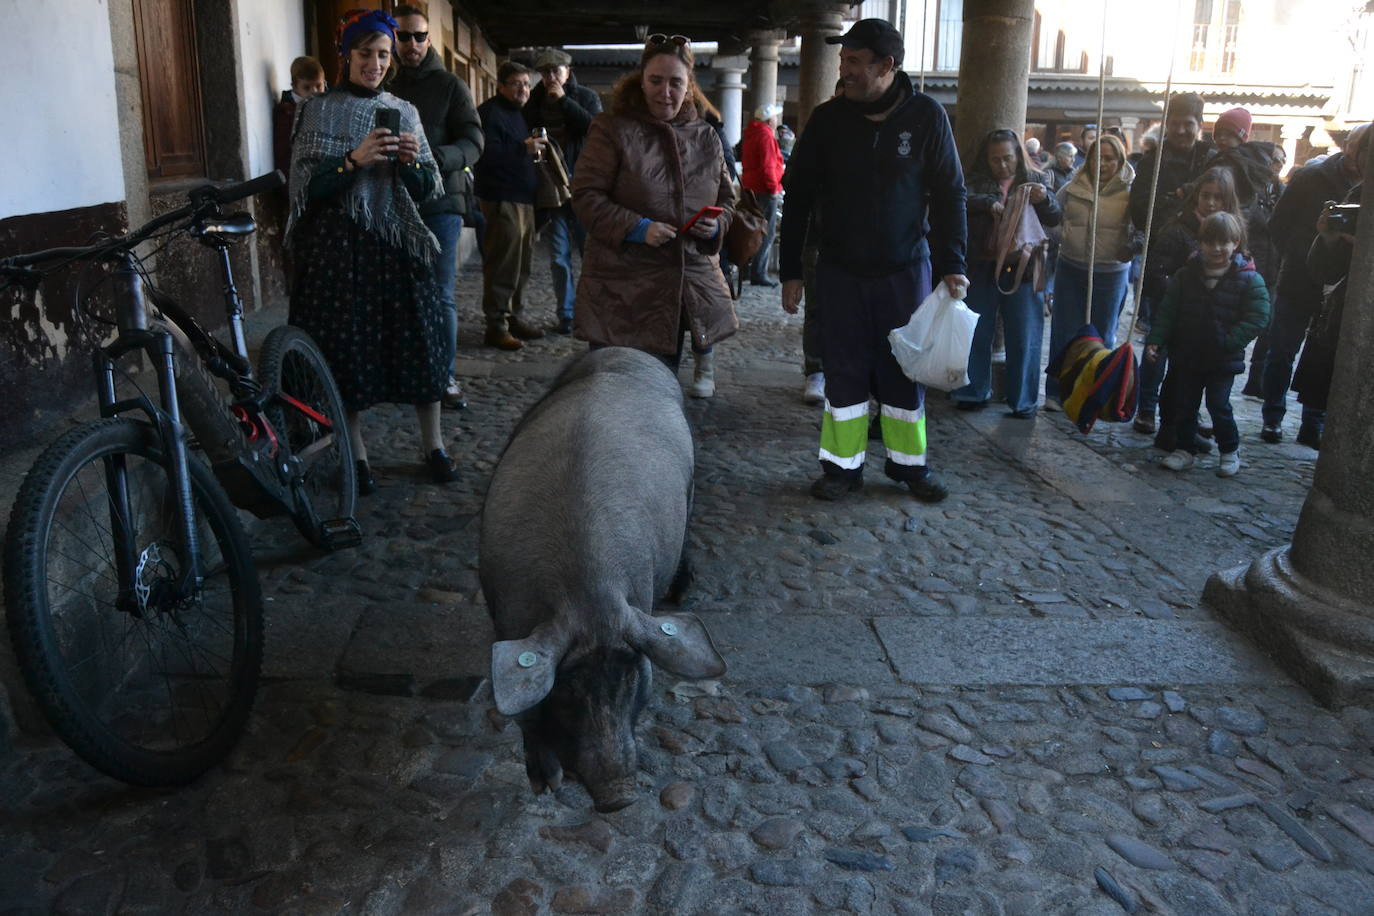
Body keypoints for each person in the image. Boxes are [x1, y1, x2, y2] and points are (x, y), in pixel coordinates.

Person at [779, 18, 968, 503]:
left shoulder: (927, 116)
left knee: (904, 369)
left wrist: (954, 263)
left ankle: (911, 467)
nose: (845, 71)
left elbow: (950, 194)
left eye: (855, 62)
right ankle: (841, 468)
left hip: (906, 270)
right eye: (843, 60)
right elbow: (796, 196)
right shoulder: (826, 119)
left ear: (887, 66)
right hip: (840, 271)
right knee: (843, 369)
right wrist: (791, 270)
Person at [286, 9, 456, 490]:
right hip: (337, 247)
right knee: (347, 349)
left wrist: (408, 166)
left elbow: (426, 190)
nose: (375, 64)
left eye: (383, 55)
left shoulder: (405, 112)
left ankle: (434, 444)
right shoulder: (317, 110)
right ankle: (356, 454)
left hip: (396, 243)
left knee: (423, 340)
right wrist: (351, 162)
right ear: (346, 55)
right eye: (366, 54)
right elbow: (303, 190)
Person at [570, 33, 738, 390]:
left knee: (658, 394)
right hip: (620, 290)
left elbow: (728, 199)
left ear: (689, 85)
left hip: (675, 294)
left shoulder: (706, 136)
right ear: (641, 82)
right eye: (656, 81)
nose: (665, 92)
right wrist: (638, 227)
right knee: (611, 393)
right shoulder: (611, 129)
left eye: (675, 82)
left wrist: (716, 224)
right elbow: (585, 195)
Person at [389, 5, 483, 412]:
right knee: (396, 292)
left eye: (419, 36)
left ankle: (444, 377)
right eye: (404, 36)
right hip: (390, 202)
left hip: (441, 202)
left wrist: (434, 157)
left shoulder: (450, 85)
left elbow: (474, 141)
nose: (412, 44)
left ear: (429, 38)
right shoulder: (381, 80)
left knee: (440, 294)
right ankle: (402, 372)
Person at [1259, 122, 1367, 445]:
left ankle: (1312, 423)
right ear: (1348, 145)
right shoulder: (1310, 176)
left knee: (1322, 358)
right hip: (1299, 279)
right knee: (1281, 351)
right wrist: (1298, 252)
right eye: (1357, 146)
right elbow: (1278, 224)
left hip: (1341, 289)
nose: (1359, 155)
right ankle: (1273, 417)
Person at [1146, 211, 1269, 477]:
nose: (1216, 249)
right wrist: (1157, 340)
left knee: (1218, 404)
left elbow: (1258, 316)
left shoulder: (1248, 279)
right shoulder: (1185, 276)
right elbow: (1169, 311)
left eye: (1223, 242)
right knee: (1185, 404)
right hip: (1188, 354)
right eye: (1210, 242)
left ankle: (1229, 449)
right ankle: (1185, 449)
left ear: (1235, 243)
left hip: (1222, 358)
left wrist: (1231, 340)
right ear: (1200, 243)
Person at [952, 128, 1060, 417]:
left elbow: (1055, 217)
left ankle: (1023, 400)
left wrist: (1044, 200)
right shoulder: (972, 181)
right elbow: (957, 204)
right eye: (995, 159)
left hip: (1024, 265)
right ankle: (972, 391)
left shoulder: (1036, 179)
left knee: (1025, 333)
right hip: (981, 263)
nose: (1002, 165)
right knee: (976, 329)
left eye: (1007, 158)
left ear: (1018, 156)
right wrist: (987, 204)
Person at [1134, 168, 1243, 438]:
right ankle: (1147, 408)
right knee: (1157, 356)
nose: (1211, 203)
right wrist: (1180, 293)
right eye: (1206, 196)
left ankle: (1185, 417)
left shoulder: (1232, 228)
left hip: (1206, 313)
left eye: (1218, 197)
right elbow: (1157, 268)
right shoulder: (1178, 227)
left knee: (1188, 369)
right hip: (1170, 304)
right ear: (1196, 196)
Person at [1045, 134, 1140, 407]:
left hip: (1110, 272)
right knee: (1064, 330)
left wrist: (1130, 246)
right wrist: (1063, 236)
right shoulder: (1075, 184)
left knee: (1103, 333)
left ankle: (1092, 392)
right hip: (1071, 266)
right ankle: (1056, 391)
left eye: (1110, 158)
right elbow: (1055, 212)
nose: (1103, 163)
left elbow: (1140, 227)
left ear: (1120, 159)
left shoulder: (1131, 190)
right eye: (1098, 157)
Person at [524, 47, 603, 336]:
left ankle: (592, 312)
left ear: (568, 72)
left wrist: (565, 102)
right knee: (558, 256)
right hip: (552, 189)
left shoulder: (586, 97)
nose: (551, 77)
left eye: (556, 71)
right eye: (545, 72)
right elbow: (526, 128)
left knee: (589, 255)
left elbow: (597, 129)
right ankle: (566, 314)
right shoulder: (534, 100)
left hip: (584, 187)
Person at [475, 62, 543, 350]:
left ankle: (514, 316)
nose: (522, 89)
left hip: (524, 199)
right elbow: (484, 154)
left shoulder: (519, 114)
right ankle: (497, 325)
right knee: (503, 264)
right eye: (515, 83)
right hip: (501, 198)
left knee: (522, 264)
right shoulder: (490, 113)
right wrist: (522, 149)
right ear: (500, 85)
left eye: (526, 84)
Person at [1290, 181, 1360, 450]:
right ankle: (1314, 426)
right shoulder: (1358, 193)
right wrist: (1329, 238)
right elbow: (1325, 270)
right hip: (1341, 307)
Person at [1130, 92, 1214, 238]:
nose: (1180, 131)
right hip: (1161, 245)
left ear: (1200, 125)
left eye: (1188, 124)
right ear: (1167, 125)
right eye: (1175, 124)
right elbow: (1139, 212)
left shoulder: (1211, 160)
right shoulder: (1151, 162)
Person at [742, 103, 785, 288]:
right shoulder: (766, 136)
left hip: (750, 187)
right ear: (770, 120)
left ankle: (746, 269)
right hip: (764, 189)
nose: (777, 119)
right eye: (775, 117)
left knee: (750, 231)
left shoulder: (751, 134)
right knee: (765, 233)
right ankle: (759, 273)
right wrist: (774, 188)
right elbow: (768, 167)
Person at [273, 57, 326, 183]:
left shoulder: (330, 105)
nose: (314, 92)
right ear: (294, 87)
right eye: (307, 88)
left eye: (318, 86)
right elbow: (285, 157)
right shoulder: (286, 114)